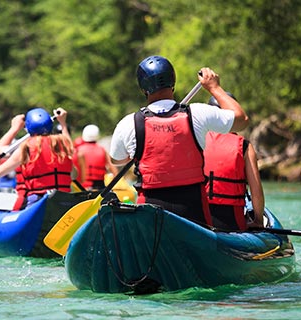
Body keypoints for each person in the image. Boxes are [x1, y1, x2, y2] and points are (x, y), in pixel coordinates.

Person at [109, 55, 249, 227]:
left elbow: (117, 160)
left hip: (150, 213)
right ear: (172, 81)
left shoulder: (128, 124)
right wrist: (215, 88)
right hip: (194, 213)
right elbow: (242, 120)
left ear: (143, 88)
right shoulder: (198, 113)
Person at [0, 107, 79, 210]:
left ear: (28, 128)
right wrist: (63, 123)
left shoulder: (26, 147)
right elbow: (74, 175)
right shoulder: (62, 144)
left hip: (39, 202)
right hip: (65, 200)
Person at [203, 96, 264, 231]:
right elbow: (256, 191)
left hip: (198, 219)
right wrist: (258, 220)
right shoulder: (244, 146)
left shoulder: (196, 139)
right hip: (231, 222)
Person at [74, 124, 119, 190]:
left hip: (82, 187)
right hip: (100, 187)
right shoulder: (102, 150)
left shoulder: (78, 150)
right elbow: (114, 171)